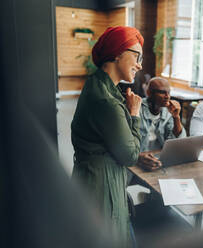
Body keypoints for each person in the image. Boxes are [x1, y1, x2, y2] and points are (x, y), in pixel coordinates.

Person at [71, 26, 144, 247]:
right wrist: (134, 115)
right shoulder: (108, 102)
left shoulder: (96, 84)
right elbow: (130, 155)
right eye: (136, 56)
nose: (140, 65)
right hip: (103, 187)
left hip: (89, 178)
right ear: (117, 53)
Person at [136, 77, 186, 171]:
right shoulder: (136, 109)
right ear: (149, 93)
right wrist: (137, 157)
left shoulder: (168, 111)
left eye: (169, 92)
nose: (167, 96)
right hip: (138, 161)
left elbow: (177, 142)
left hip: (159, 160)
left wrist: (176, 117)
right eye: (162, 92)